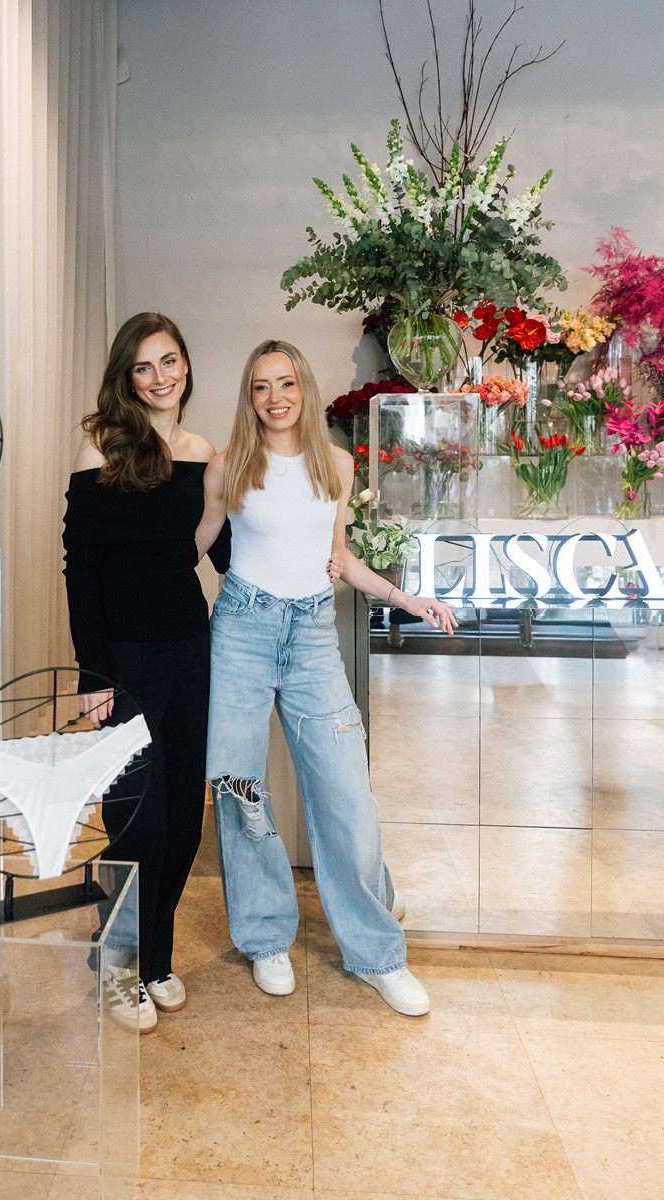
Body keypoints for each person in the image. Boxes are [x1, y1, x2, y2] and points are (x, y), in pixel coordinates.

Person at [195, 339, 456, 1016]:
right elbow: (194, 545)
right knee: (241, 790)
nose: (274, 397)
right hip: (242, 633)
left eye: (285, 383)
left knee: (346, 794)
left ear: (303, 389)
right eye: (261, 387)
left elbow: (338, 556)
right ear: (249, 397)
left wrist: (405, 598)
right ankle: (265, 937)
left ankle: (377, 954)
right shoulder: (229, 464)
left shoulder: (335, 464)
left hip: (312, 637)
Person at [63, 312, 230, 1033]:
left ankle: (154, 960)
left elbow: (211, 550)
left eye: (169, 361)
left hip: (190, 651)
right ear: (126, 378)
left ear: (186, 365)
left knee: (185, 822)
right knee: (137, 821)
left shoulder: (205, 454)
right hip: (124, 664)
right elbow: (81, 569)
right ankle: (118, 965)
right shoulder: (101, 446)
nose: (160, 377)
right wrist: (94, 674)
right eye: (144, 366)